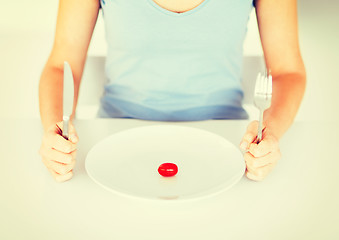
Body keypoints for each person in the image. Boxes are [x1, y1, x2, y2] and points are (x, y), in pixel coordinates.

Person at [38, 0, 306, 182]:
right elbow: (62, 66)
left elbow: (287, 72)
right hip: (116, 142)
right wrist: (56, 131)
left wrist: (269, 130)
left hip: (229, 149)